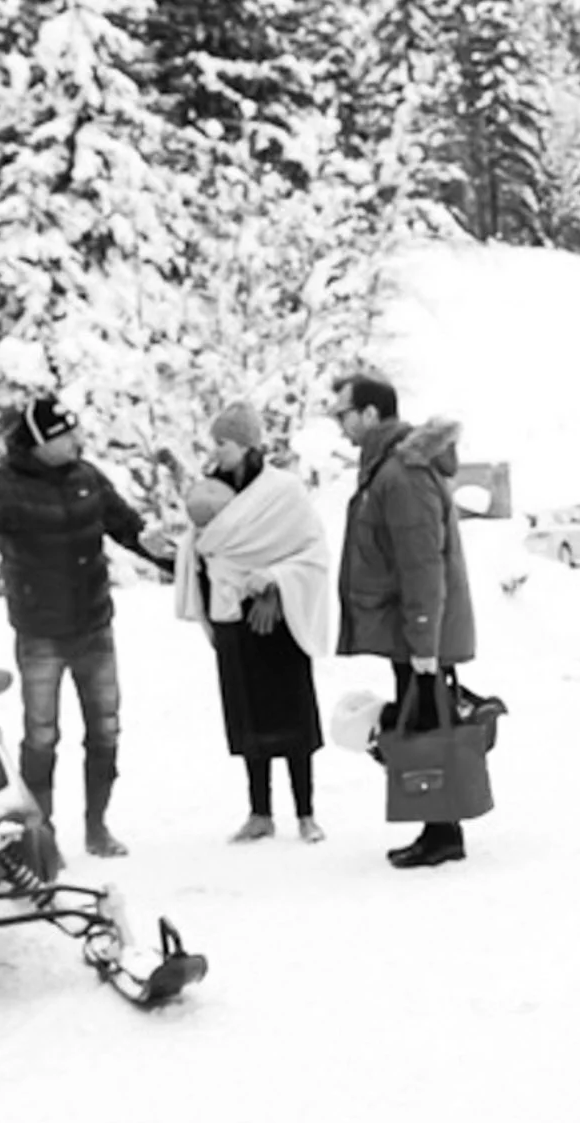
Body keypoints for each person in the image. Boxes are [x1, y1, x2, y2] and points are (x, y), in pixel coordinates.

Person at [0, 396, 169, 860]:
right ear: (42, 443)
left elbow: (130, 529)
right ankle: (41, 835)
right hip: (40, 633)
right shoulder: (2, 490)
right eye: (65, 435)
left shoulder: (87, 478)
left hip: (94, 627)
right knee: (42, 735)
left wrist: (180, 560)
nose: (77, 441)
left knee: (105, 730)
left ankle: (97, 827)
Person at [329, 372, 477, 871]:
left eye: (344, 413)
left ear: (371, 414)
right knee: (423, 724)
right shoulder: (387, 468)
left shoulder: (402, 473)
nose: (340, 424)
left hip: (418, 631)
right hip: (409, 630)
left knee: (427, 727)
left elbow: (422, 562)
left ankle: (442, 832)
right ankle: (437, 825)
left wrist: (422, 637)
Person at [174, 402, 333, 845]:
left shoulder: (284, 492)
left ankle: (306, 812)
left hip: (279, 620)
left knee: (293, 715)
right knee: (248, 716)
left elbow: (311, 553)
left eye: (222, 443)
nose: (216, 451)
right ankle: (259, 812)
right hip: (232, 617)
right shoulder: (211, 491)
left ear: (245, 444)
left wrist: (275, 587)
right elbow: (206, 547)